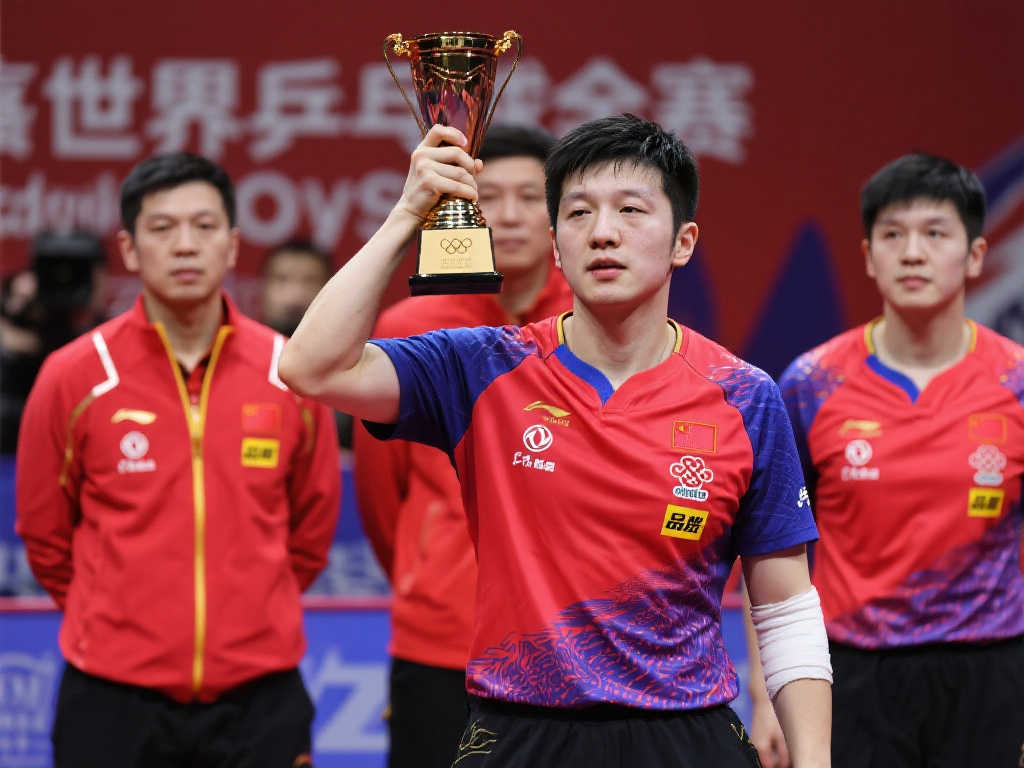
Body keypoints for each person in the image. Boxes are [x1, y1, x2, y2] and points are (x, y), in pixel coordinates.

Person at [279, 114, 832, 767]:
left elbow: (785, 606)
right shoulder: (483, 367)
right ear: (556, 244)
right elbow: (310, 367)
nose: (603, 232)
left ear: (683, 242)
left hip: (683, 733)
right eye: (578, 213)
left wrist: (814, 761)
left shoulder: (744, 396)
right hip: (520, 734)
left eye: (631, 210)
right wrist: (408, 213)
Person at [15, 152, 341, 768]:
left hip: (260, 697)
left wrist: (246, 616)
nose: (185, 245)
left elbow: (311, 531)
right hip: (111, 698)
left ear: (233, 244)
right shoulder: (73, 375)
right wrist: (115, 622)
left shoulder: (291, 371)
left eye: (204, 226)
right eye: (162, 228)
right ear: (129, 249)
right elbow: (45, 535)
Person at [748, 153, 1024, 768]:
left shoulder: (1016, 381)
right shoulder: (812, 383)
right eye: (893, 235)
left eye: (936, 233)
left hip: (990, 670)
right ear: (869, 256)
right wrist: (766, 694)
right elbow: (767, 542)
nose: (913, 253)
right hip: (853, 670)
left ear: (976, 255)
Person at [351, 124, 572, 768]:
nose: (510, 215)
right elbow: (381, 496)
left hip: (569, 641)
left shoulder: (598, 325)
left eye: (530, 197)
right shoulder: (408, 329)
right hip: (440, 639)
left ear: (561, 213)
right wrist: (428, 571)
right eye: (488, 196)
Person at [260, 239, 333, 338]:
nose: (295, 298)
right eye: (282, 279)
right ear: (263, 289)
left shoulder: (348, 348)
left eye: (310, 281)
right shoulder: (242, 346)